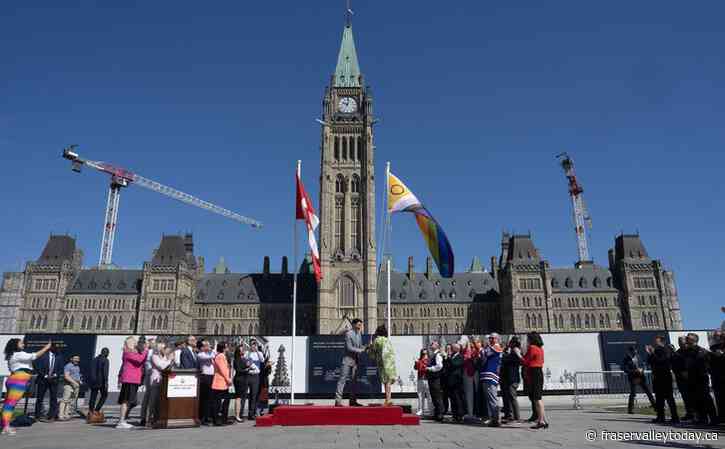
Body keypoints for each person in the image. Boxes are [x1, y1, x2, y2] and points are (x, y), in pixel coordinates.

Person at [3, 339, 51, 435]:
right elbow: (34, 356)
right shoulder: (19, 354)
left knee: (8, 404)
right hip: (19, 379)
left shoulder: (11, 355)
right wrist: (47, 347)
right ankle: (5, 427)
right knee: (10, 405)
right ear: (15, 345)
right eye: (21, 343)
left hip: (14, 378)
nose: (23, 344)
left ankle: (5, 425)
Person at [685, 333, 717, 425]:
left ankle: (713, 418)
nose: (686, 339)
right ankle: (702, 418)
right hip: (692, 378)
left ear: (694, 340)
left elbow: (707, 363)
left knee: (706, 398)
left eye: (688, 338)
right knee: (696, 399)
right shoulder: (688, 351)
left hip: (701, 378)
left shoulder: (701, 351)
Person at [645, 336, 679, 424]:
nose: (654, 343)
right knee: (659, 398)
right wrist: (650, 353)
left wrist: (653, 353)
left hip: (664, 376)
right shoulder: (656, 350)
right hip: (657, 376)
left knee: (669, 398)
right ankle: (660, 416)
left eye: (656, 341)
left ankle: (675, 417)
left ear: (661, 341)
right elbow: (650, 362)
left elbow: (662, 361)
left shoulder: (666, 350)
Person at [116, 336, 148, 429]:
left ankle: (122, 420)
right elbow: (140, 359)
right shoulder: (127, 353)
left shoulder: (131, 352)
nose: (136, 343)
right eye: (134, 342)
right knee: (126, 400)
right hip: (130, 379)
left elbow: (141, 359)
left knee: (128, 400)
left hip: (132, 379)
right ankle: (121, 421)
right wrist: (146, 350)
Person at [335, 318, 365, 407]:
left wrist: (366, 347)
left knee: (354, 382)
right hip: (347, 360)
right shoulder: (348, 334)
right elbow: (349, 347)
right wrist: (360, 350)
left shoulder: (359, 334)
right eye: (359, 324)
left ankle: (353, 401)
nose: (360, 326)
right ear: (354, 325)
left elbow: (360, 346)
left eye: (361, 325)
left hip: (355, 361)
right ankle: (338, 401)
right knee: (342, 380)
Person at [521, 332, 547, 429]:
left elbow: (525, 360)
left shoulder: (532, 348)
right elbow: (542, 361)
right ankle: (543, 419)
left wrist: (520, 356)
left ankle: (541, 421)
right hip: (539, 371)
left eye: (528, 339)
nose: (527, 340)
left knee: (536, 399)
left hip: (533, 373)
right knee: (538, 398)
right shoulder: (540, 349)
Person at [367, 325, 397, 406]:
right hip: (390, 363)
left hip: (383, 363)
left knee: (386, 381)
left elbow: (372, 353)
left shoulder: (377, 340)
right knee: (388, 381)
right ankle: (388, 399)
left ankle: (388, 400)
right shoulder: (387, 340)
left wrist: (369, 346)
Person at [33, 343, 63, 422]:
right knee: (40, 398)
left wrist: (55, 375)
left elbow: (60, 369)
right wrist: (45, 375)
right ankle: (37, 415)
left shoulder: (59, 357)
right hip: (43, 379)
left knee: (53, 398)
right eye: (54, 347)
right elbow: (36, 366)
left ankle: (51, 416)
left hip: (54, 380)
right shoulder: (43, 355)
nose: (56, 348)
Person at [622, 346, 656, 414]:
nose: (635, 352)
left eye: (636, 350)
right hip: (633, 378)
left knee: (648, 392)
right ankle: (630, 409)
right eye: (633, 351)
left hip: (641, 377)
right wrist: (635, 371)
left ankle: (655, 406)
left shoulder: (638, 357)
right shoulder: (626, 359)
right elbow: (625, 369)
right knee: (633, 393)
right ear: (630, 352)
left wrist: (642, 369)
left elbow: (643, 365)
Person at [146, 343, 173, 427]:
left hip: (163, 381)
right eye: (164, 348)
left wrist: (170, 360)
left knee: (160, 401)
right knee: (153, 401)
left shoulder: (164, 357)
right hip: (155, 381)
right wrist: (169, 360)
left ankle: (158, 419)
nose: (165, 349)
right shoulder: (154, 356)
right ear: (159, 348)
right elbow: (161, 366)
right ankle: (149, 420)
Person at [480, 333, 503, 427]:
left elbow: (484, 353)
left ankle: (496, 419)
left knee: (492, 398)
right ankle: (492, 418)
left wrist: (483, 346)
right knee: (489, 398)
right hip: (487, 375)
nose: (490, 340)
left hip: (491, 375)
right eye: (490, 338)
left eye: (492, 338)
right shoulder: (491, 347)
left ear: (497, 339)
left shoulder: (496, 347)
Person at [671, 336, 695, 421]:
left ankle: (696, 414)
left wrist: (687, 371)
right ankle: (689, 413)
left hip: (690, 377)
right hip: (680, 378)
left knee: (692, 397)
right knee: (685, 397)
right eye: (679, 341)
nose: (680, 343)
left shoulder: (690, 351)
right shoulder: (677, 352)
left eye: (681, 341)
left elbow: (690, 362)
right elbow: (674, 364)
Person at [500, 336, 522, 423]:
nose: (509, 345)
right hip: (507, 378)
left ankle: (516, 417)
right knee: (507, 397)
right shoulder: (511, 352)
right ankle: (509, 415)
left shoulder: (515, 352)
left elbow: (506, 360)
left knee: (512, 397)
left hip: (512, 378)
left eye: (511, 343)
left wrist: (505, 354)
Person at [194, 339, 216, 425]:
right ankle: (203, 417)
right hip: (205, 376)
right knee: (205, 398)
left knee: (210, 397)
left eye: (207, 345)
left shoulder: (208, 353)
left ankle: (208, 416)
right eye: (205, 346)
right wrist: (211, 349)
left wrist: (210, 350)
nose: (207, 347)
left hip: (211, 376)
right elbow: (211, 356)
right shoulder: (200, 354)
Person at [211, 342, 231, 426]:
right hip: (220, 382)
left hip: (222, 383)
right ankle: (217, 420)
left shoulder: (221, 356)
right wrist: (228, 379)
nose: (227, 348)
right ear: (223, 348)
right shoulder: (221, 356)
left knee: (224, 401)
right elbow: (223, 370)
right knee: (218, 402)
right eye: (226, 347)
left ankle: (223, 419)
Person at [138, 337, 156, 427]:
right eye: (153, 342)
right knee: (150, 398)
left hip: (149, 374)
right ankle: (147, 418)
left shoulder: (148, 351)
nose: (154, 344)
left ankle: (144, 417)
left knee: (148, 397)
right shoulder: (149, 351)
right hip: (150, 375)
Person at [88, 348, 110, 419]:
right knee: (104, 395)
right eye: (108, 353)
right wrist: (106, 382)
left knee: (93, 396)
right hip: (102, 382)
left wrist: (92, 379)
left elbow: (91, 370)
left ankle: (91, 411)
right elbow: (105, 372)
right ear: (106, 353)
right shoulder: (106, 360)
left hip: (94, 381)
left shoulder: (94, 359)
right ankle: (97, 410)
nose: (108, 354)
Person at [58, 354, 82, 421]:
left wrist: (79, 381)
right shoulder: (68, 366)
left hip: (76, 385)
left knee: (69, 401)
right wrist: (74, 383)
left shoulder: (77, 367)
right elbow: (66, 376)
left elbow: (77, 375)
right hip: (68, 385)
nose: (77, 360)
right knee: (65, 400)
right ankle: (61, 415)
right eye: (75, 358)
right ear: (71, 359)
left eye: (78, 358)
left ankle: (66, 414)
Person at [709, 331, 725, 423]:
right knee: (719, 398)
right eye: (716, 336)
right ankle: (721, 416)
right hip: (716, 377)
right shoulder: (713, 348)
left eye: (719, 336)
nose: (717, 338)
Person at [426, 341, 445, 421]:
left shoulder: (437, 354)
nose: (431, 345)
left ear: (437, 346)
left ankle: (440, 414)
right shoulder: (433, 354)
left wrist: (430, 368)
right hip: (432, 377)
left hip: (435, 378)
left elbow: (439, 366)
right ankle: (437, 413)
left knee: (437, 396)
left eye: (432, 344)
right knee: (434, 396)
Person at [446, 343, 465, 422]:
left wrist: (449, 358)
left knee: (457, 399)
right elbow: (448, 365)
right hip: (450, 381)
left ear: (457, 349)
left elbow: (454, 364)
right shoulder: (452, 356)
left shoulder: (460, 356)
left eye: (452, 348)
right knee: (452, 399)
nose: (451, 349)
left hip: (457, 381)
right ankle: (454, 415)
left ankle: (459, 416)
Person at [461, 337, 479, 418]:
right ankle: (470, 412)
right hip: (468, 373)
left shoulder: (476, 351)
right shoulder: (465, 351)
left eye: (472, 347)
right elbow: (464, 357)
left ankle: (477, 412)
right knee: (469, 394)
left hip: (475, 373)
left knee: (477, 393)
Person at [414, 349, 432, 416]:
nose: (424, 355)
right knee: (420, 395)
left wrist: (422, 361)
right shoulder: (419, 360)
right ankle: (420, 410)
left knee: (429, 395)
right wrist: (416, 363)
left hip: (427, 379)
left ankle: (431, 410)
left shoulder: (429, 360)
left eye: (426, 353)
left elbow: (427, 367)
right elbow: (415, 368)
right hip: (420, 379)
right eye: (423, 354)